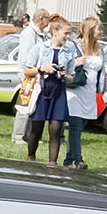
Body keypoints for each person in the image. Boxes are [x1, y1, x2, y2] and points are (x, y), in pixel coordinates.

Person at [24, 14, 80, 164]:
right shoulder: (39, 49)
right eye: (65, 33)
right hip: (42, 91)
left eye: (69, 33)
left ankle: (52, 165)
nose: (68, 37)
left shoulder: (68, 52)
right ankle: (31, 159)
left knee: (55, 130)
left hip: (58, 92)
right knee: (36, 129)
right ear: (55, 32)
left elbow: (72, 77)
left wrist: (65, 75)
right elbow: (27, 70)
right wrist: (42, 68)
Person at [64, 16, 107, 168]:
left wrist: (106, 93)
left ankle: (68, 160)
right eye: (98, 29)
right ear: (90, 30)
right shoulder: (74, 46)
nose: (101, 32)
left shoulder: (100, 49)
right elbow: (63, 64)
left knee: (80, 127)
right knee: (75, 127)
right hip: (75, 91)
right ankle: (78, 160)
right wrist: (75, 62)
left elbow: (103, 73)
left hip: (89, 93)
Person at [13, 9, 51, 143]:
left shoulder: (42, 34)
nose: (49, 21)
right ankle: (18, 135)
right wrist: (27, 72)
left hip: (38, 73)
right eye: (48, 18)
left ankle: (31, 135)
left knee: (35, 104)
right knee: (25, 103)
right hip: (28, 73)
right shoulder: (29, 33)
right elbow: (25, 54)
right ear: (41, 18)